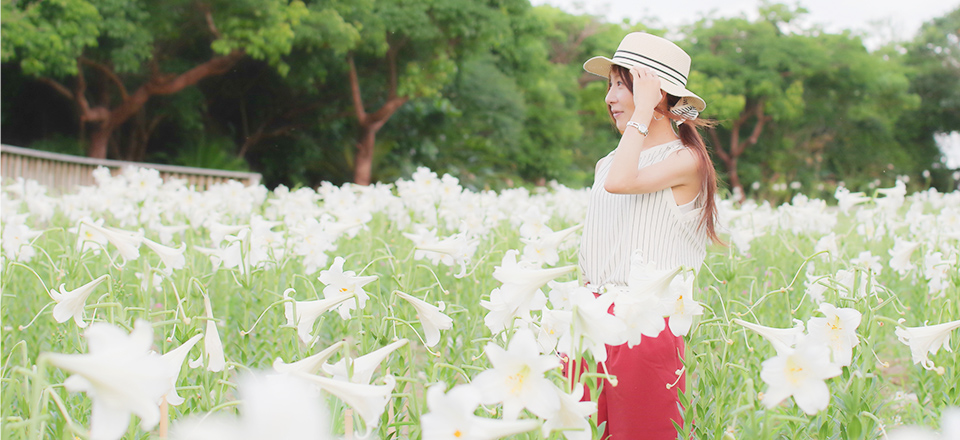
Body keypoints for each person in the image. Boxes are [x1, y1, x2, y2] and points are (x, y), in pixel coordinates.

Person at [577, 32, 721, 439]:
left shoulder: (686, 159)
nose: (609, 97)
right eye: (610, 85)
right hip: (591, 317)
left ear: (656, 94)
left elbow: (622, 183)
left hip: (647, 327)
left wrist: (640, 112)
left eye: (622, 84)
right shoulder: (607, 162)